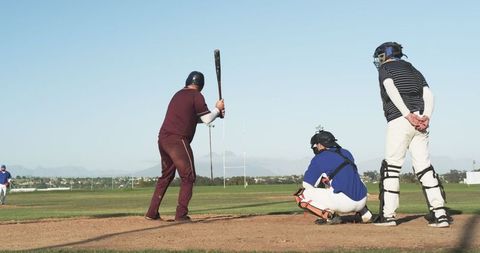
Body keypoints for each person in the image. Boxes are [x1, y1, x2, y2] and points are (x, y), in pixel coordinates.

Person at [372, 42, 449, 228]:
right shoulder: (413, 69)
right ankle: (440, 215)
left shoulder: (385, 69)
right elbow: (429, 94)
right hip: (421, 120)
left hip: (400, 120)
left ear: (385, 55)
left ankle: (388, 216)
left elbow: (390, 88)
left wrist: (407, 114)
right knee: (424, 168)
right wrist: (426, 117)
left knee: (392, 167)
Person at [145, 71, 225, 222]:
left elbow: (196, 118)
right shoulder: (197, 96)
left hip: (163, 139)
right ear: (201, 85)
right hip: (177, 140)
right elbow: (207, 119)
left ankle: (152, 212)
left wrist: (216, 113)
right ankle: (181, 215)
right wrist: (217, 108)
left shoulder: (177, 95)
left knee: (166, 176)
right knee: (188, 176)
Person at [294, 130, 372, 224]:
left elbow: (307, 184)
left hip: (345, 203)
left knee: (301, 195)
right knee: (352, 181)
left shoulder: (320, 157)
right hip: (362, 199)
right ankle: (365, 214)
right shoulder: (347, 152)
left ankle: (330, 216)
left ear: (319, 145)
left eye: (315, 146)